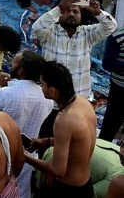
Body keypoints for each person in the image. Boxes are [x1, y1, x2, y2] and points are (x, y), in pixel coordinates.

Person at [25, 61, 97, 197]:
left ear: (52, 91)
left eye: (42, 84)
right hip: (86, 185)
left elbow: (58, 170)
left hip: (68, 189)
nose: (41, 88)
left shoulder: (64, 120)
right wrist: (47, 141)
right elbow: (78, 141)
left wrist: (23, 157)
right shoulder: (83, 102)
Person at [0, 51, 52, 198]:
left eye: (14, 62)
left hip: (1, 155)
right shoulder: (47, 99)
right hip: (27, 159)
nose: (11, 64)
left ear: (21, 71)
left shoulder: (5, 93)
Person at [32, 0, 116, 99]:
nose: (71, 14)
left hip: (80, 98)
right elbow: (37, 27)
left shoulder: (87, 33)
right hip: (53, 100)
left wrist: (98, 13)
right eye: (67, 11)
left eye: (76, 12)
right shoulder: (49, 32)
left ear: (81, 16)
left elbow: (111, 26)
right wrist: (59, 8)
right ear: (59, 14)